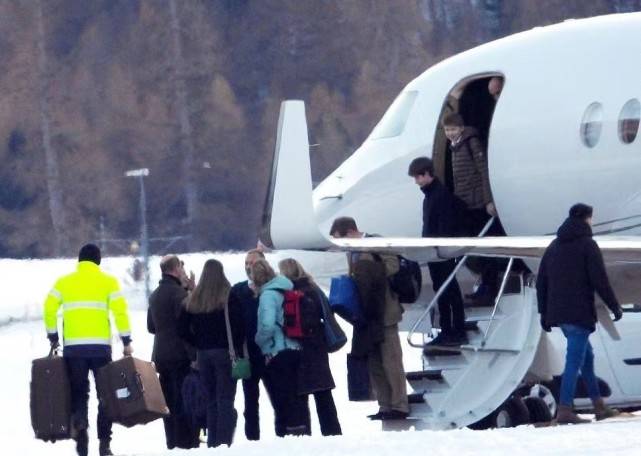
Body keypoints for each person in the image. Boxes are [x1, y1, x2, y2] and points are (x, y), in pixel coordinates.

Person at [537, 203, 623, 424]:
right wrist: (614, 305)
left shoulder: (554, 246)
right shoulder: (588, 245)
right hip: (579, 313)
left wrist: (543, 313)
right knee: (574, 360)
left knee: (587, 357)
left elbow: (542, 281)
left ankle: (599, 405)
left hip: (560, 315)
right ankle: (565, 409)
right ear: (587, 219)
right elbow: (599, 279)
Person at [43, 244, 132, 456]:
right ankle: (104, 445)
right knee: (105, 396)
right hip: (101, 349)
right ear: (98, 261)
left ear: (79, 260)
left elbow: (48, 307)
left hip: (74, 350)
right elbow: (120, 313)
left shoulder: (64, 282)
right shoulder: (108, 282)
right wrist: (126, 340)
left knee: (78, 394)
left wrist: (53, 336)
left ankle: (81, 438)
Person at [330, 217, 409, 420]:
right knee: (375, 363)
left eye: (342, 239)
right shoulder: (352, 252)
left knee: (391, 361)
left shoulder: (376, 243)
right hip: (366, 314)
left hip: (385, 311)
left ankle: (399, 405)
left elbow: (393, 266)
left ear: (351, 232)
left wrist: (369, 271)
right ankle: (384, 405)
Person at [177, 259, 244, 447]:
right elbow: (240, 327)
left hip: (203, 355)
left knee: (211, 399)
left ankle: (213, 441)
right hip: (225, 353)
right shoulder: (229, 296)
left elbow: (181, 329)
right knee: (226, 398)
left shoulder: (194, 299)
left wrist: (197, 342)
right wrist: (236, 348)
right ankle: (224, 442)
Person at [278, 258, 343, 436]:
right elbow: (327, 313)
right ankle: (332, 432)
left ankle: (303, 434)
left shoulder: (283, 293)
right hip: (316, 345)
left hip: (294, 347)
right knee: (323, 394)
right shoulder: (313, 289)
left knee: (300, 395)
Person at [408, 157, 467, 346]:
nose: (416, 181)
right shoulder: (432, 195)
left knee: (448, 289)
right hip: (435, 250)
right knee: (443, 289)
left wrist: (438, 247)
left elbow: (443, 226)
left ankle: (455, 329)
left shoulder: (439, 196)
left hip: (441, 251)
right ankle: (449, 329)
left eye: (418, 177)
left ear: (427, 174)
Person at [442, 112, 499, 305]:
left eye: (453, 129)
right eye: (447, 130)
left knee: (484, 246)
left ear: (461, 128)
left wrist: (488, 200)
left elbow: (483, 170)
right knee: (475, 247)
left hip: (477, 203)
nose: (450, 133)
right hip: (465, 203)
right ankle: (483, 285)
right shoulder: (454, 147)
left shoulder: (470, 142)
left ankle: (490, 288)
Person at [251, 259, 310, 436]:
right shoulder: (287, 288)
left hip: (278, 352)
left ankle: (288, 436)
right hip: (295, 348)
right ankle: (303, 433)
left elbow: (268, 325)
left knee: (283, 398)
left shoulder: (267, 295)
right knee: (298, 397)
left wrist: (259, 341)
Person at [147, 255, 200, 449]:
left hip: (160, 354)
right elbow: (189, 323)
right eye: (181, 268)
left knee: (168, 400)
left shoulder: (154, 295)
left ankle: (171, 439)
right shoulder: (179, 294)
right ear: (176, 269)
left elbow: (151, 326)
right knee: (184, 397)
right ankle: (185, 440)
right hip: (181, 353)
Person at [229, 249, 276, 440]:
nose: (249, 266)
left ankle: (285, 436)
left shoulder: (273, 288)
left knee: (278, 396)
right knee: (250, 401)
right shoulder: (238, 290)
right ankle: (252, 440)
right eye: (246, 263)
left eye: (253, 263)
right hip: (248, 353)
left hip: (271, 353)